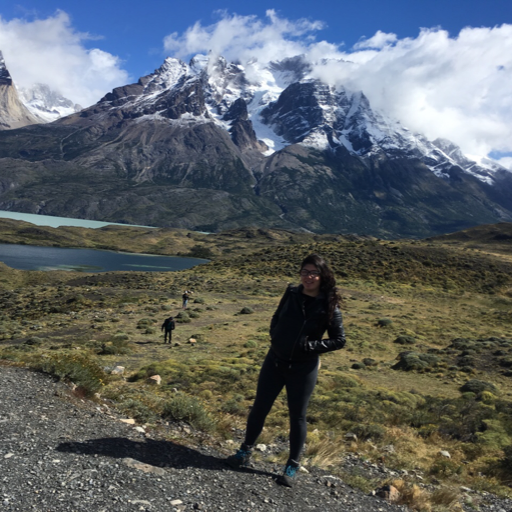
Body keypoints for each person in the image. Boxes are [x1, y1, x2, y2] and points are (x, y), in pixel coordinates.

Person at [226, 254, 346, 487]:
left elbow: (339, 340)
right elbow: (277, 317)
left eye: (313, 273)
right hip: (275, 361)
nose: (308, 277)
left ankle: (291, 465)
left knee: (297, 416)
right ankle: (243, 453)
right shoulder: (291, 293)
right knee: (260, 407)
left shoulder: (328, 305)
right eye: (304, 272)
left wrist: (310, 346)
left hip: (303, 368)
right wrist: (276, 337)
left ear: (322, 276)